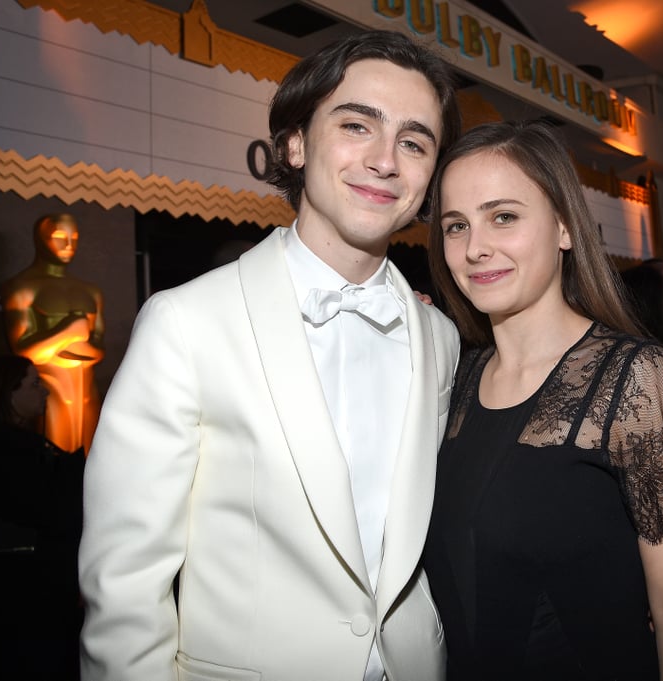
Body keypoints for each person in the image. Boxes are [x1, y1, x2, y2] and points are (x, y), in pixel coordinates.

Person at [78, 30, 462, 681]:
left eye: (414, 141)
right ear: (295, 143)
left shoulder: (440, 338)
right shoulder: (187, 323)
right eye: (357, 125)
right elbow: (125, 585)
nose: (385, 160)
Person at [423, 120, 663, 680]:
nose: (475, 247)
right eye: (456, 225)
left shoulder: (639, 383)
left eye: (503, 216)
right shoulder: (453, 381)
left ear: (564, 227)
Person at [0, 354, 85, 681]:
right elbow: (54, 511)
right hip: (21, 613)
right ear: (8, 393)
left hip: (17, 609)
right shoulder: (4, 451)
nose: (45, 392)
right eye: (34, 384)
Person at [1, 212, 104, 454]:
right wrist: (68, 331)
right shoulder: (22, 288)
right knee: (53, 457)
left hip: (87, 389)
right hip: (47, 389)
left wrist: (80, 345)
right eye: (60, 237)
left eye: (74, 238)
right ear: (40, 239)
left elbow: (100, 347)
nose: (69, 245)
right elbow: (23, 351)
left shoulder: (91, 291)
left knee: (92, 457)